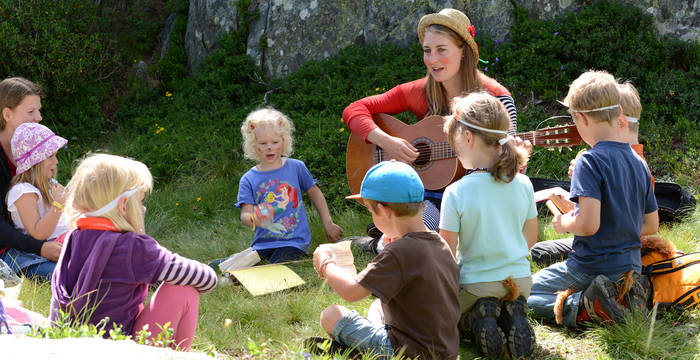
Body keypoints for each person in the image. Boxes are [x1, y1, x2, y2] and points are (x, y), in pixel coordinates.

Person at [343, 8, 518, 246]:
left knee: (443, 239)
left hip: (475, 197)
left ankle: (380, 238)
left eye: (441, 50)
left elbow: (509, 155)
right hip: (429, 199)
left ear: (463, 52)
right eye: (427, 51)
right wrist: (388, 143)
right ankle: (384, 239)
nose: (432, 59)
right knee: (418, 238)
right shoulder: (421, 91)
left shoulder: (496, 97)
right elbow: (354, 110)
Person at [527, 70, 659, 329]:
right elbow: (651, 225)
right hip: (629, 268)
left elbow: (588, 225)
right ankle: (620, 298)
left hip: (590, 265)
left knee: (521, 293)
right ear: (617, 112)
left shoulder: (589, 160)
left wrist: (564, 222)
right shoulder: (639, 162)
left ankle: (583, 308)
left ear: (580, 118)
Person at [50, 154, 217, 350]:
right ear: (123, 205)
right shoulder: (131, 247)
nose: (144, 208)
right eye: (140, 201)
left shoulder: (74, 237)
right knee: (183, 288)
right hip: (121, 350)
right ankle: (180, 355)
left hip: (71, 345)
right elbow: (206, 278)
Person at [311, 161, 460, 359]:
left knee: (331, 315)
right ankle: (357, 350)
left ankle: (357, 352)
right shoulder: (438, 242)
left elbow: (350, 291)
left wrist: (325, 263)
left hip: (407, 353)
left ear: (385, 210)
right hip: (444, 351)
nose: (372, 217)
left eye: (371, 212)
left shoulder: (400, 251)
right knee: (377, 307)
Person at [439, 93, 537, 358]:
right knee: (506, 295)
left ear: (468, 138)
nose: (456, 155)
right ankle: (511, 313)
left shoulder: (456, 192)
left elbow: (446, 251)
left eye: (456, 148)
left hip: (476, 284)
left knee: (441, 316)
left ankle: (475, 321)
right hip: (520, 282)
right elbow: (530, 238)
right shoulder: (524, 184)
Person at [530, 79, 655, 267]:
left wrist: (571, 220)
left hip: (603, 253)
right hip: (627, 258)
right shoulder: (638, 163)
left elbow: (609, 223)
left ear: (619, 120)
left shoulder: (601, 160)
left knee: (538, 254)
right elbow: (618, 213)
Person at [237, 108, 343, 263]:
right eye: (263, 143)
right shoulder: (248, 179)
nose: (269, 147)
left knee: (276, 266)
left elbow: (315, 193)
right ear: (253, 145)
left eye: (275, 142)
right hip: (262, 244)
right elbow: (245, 215)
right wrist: (255, 218)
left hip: (293, 242)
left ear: (284, 141)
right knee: (241, 268)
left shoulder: (296, 167)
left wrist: (328, 223)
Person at [0, 77, 62, 280]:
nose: (39, 117)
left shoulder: (35, 150)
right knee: (67, 276)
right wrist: (41, 248)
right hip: (8, 248)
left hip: (38, 236)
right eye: (30, 112)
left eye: (39, 110)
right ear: (7, 114)